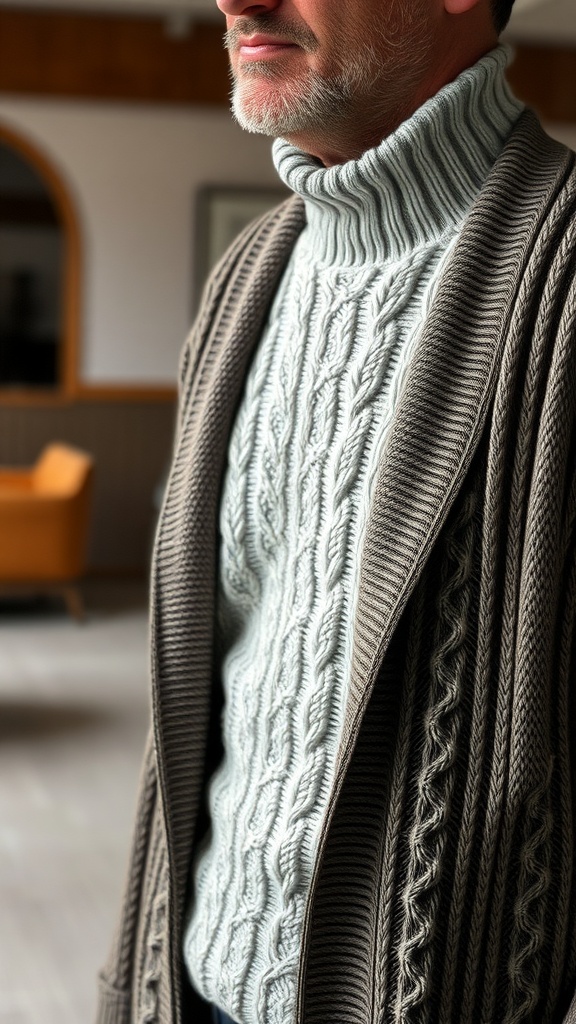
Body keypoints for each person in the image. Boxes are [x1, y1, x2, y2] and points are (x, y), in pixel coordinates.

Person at [97, 0, 576, 1020]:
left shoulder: (564, 284)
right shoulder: (244, 282)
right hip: (191, 984)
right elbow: (201, 702)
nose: (234, 0)